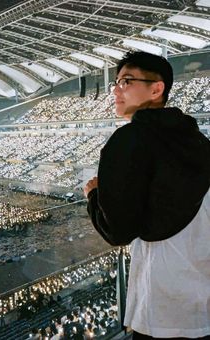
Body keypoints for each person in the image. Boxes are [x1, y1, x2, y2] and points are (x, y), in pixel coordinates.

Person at [84, 51, 210, 339]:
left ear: (156, 89)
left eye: (126, 81)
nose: (115, 89)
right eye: (115, 82)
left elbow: (117, 231)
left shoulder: (128, 140)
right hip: (202, 296)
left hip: (161, 302)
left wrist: (93, 196)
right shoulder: (198, 141)